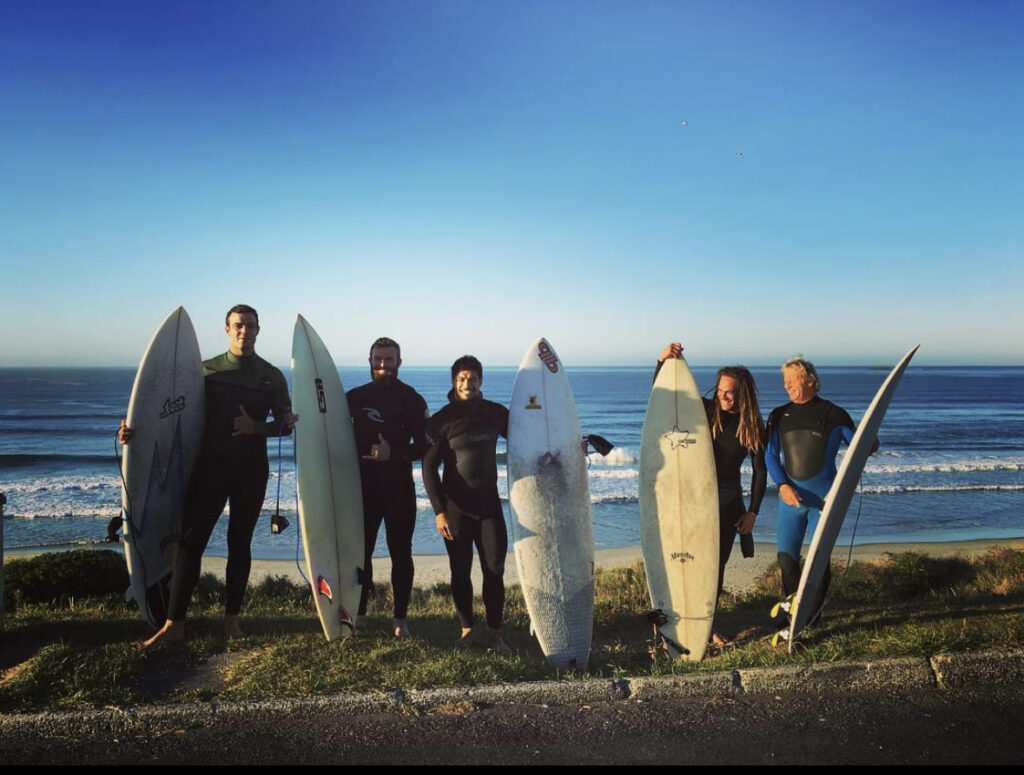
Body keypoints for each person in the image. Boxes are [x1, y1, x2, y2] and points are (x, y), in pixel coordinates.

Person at [119, 304, 297, 648]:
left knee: (239, 544)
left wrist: (256, 426)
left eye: (249, 325)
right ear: (226, 330)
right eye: (237, 325)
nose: (243, 331)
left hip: (251, 472)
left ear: (258, 329)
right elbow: (168, 414)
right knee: (190, 545)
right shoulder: (205, 370)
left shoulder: (271, 376)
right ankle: (175, 624)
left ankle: (231, 621)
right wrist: (132, 431)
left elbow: (285, 426)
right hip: (210, 468)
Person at [656, 343, 767, 647]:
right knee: (685, 562)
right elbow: (664, 403)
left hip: (729, 503)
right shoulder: (704, 410)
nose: (723, 397)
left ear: (743, 393)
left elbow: (760, 472)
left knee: (712, 569)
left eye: (730, 392)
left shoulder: (753, 425)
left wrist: (753, 512)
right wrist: (662, 361)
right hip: (693, 500)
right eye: (719, 391)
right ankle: (678, 622)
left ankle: (707, 625)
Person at [765, 355, 867, 626]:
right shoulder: (778, 415)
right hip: (791, 502)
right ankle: (792, 613)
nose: (786, 385)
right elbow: (770, 456)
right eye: (784, 381)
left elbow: (859, 445)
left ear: (809, 379)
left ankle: (813, 617)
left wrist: (870, 441)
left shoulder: (833, 414)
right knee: (787, 562)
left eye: (791, 379)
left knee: (818, 562)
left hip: (824, 501)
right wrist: (783, 485)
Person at [422, 355, 511, 654]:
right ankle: (467, 631)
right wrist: (439, 511)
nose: (467, 383)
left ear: (481, 381)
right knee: (460, 571)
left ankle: (495, 634)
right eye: (461, 379)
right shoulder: (442, 420)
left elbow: (530, 438)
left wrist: (566, 444)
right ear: (453, 382)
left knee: (495, 570)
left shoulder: (496, 413)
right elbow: (428, 467)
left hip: (489, 507)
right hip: (456, 509)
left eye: (472, 378)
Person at [345, 337, 428, 639]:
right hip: (362, 490)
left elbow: (426, 445)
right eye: (378, 359)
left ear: (399, 362)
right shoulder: (353, 398)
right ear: (369, 362)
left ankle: (400, 620)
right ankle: (360, 612)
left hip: (398, 489)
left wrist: (396, 453)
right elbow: (332, 433)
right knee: (360, 553)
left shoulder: (412, 400)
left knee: (400, 554)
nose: (383, 365)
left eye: (388, 360)